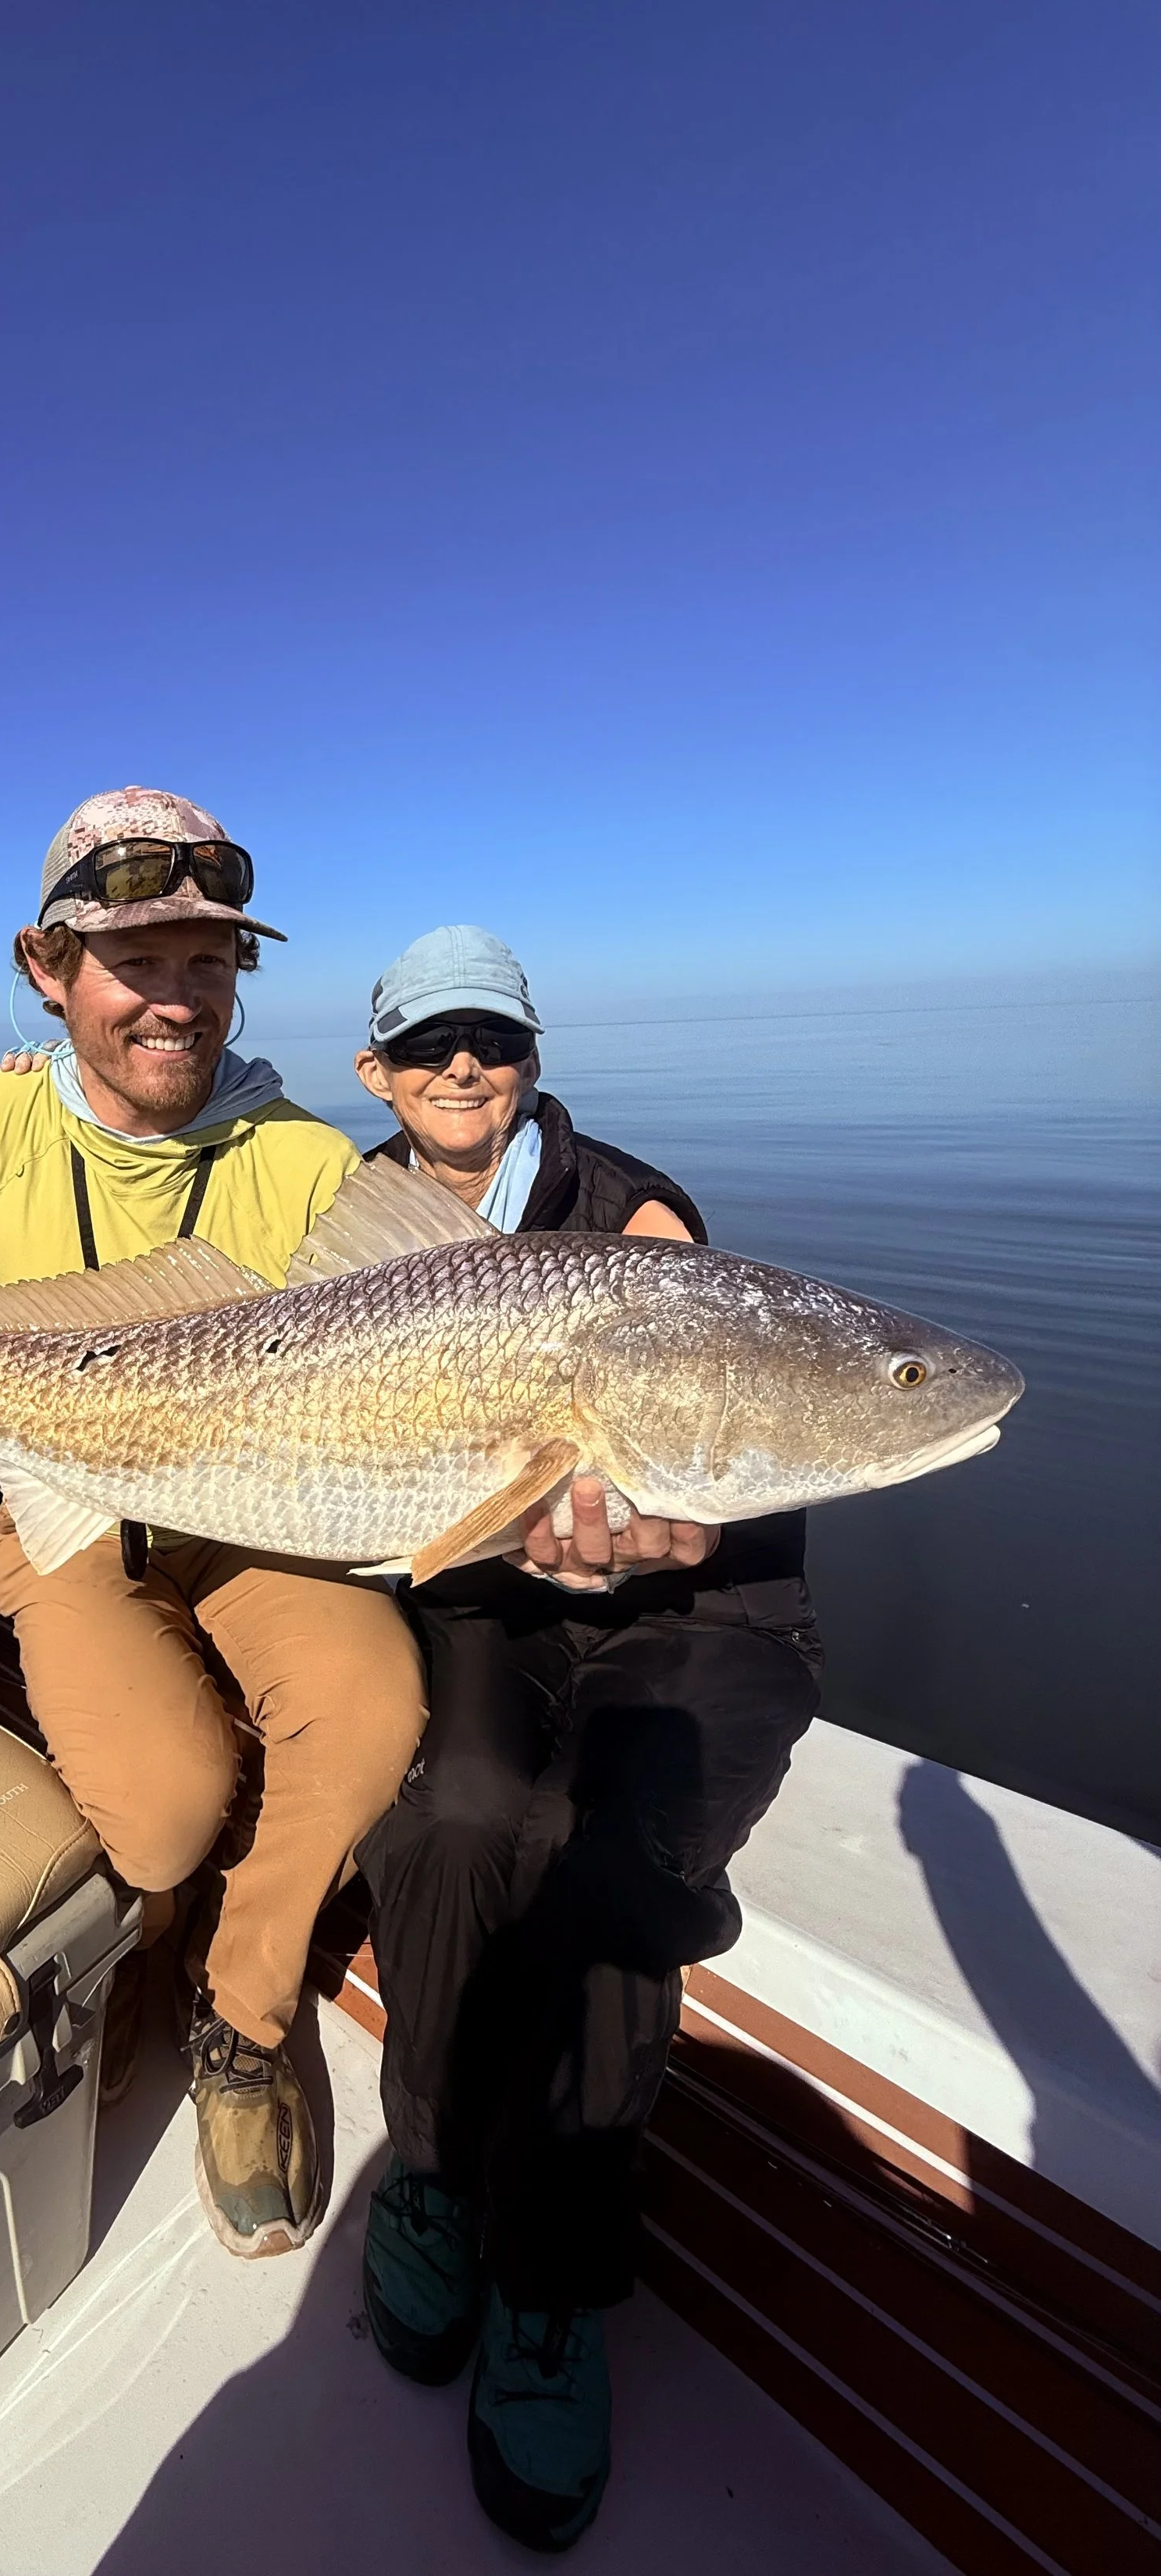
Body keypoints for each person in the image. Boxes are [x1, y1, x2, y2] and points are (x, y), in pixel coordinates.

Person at [0, 787, 426, 2260]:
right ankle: (153, 1929)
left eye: (209, 964)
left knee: (371, 1710)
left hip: (251, 1506)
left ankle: (244, 2012)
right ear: (49, 970)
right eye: (136, 961)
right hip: (70, 1500)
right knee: (164, 1822)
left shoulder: (305, 1159)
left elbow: (362, 1372)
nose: (176, 1000)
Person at [350, 927, 821, 2552]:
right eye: (425, 1045)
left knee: (613, 1861)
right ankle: (422, 2170)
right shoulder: (350, 1210)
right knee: (450, 1812)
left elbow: (695, 1451)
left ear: (533, 1057)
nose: (459, 1068)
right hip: (493, 1597)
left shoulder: (631, 1213)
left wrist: (662, 1522)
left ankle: (549, 2287)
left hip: (694, 1608)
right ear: (377, 1074)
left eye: (489, 1038)